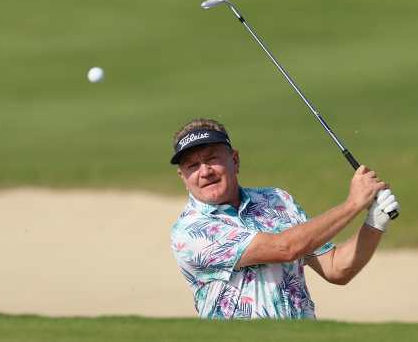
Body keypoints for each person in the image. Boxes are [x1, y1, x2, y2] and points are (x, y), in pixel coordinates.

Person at [169, 118, 400, 319]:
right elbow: (285, 248)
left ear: (235, 159)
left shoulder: (277, 200)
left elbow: (336, 268)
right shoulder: (190, 231)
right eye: (192, 165)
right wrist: (353, 204)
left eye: (212, 158)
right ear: (183, 176)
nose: (205, 171)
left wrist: (374, 222)